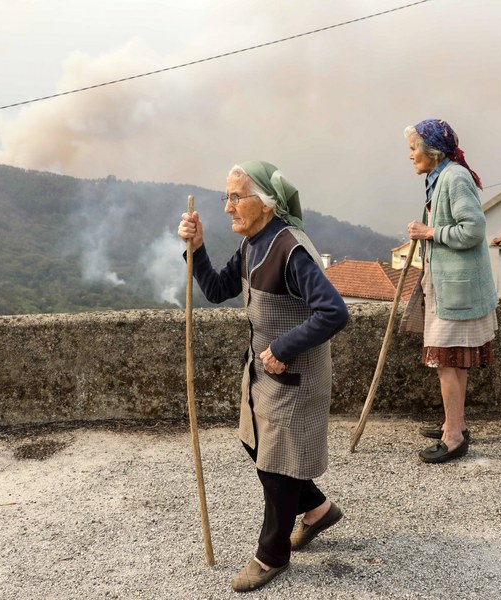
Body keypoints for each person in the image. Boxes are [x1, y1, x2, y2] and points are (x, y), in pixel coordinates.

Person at [177, 161, 350, 592]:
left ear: (266, 205)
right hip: (263, 373)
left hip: (295, 374)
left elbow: (334, 311)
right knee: (254, 442)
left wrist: (282, 347)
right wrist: (196, 249)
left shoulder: (290, 249)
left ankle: (272, 555)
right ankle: (317, 509)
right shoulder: (253, 244)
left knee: (275, 465)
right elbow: (218, 290)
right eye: (227, 197)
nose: (228, 207)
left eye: (236, 197)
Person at [400, 119, 498, 464]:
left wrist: (430, 233)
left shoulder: (454, 178)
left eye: (414, 148)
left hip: (457, 292)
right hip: (449, 287)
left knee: (446, 363)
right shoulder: (441, 176)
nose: (410, 155)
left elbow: (473, 230)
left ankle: (454, 437)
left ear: (432, 152)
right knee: (455, 362)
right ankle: (454, 423)